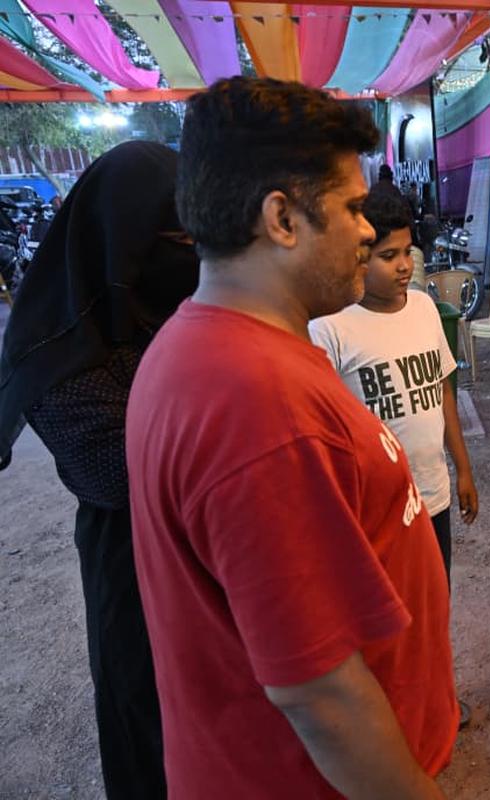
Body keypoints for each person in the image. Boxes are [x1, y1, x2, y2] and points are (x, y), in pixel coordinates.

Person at [125, 77, 455, 798]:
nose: (369, 232)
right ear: (281, 219)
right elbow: (321, 692)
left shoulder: (207, 346)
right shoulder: (255, 402)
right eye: (350, 207)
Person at [0, 141, 199, 799]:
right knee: (144, 714)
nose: (191, 255)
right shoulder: (58, 345)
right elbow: (117, 475)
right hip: (131, 563)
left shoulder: (173, 309)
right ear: (121, 239)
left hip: (203, 548)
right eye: (174, 238)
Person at [310, 182, 478, 580]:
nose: (404, 266)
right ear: (357, 256)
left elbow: (443, 392)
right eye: (388, 256)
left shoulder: (423, 308)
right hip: (374, 507)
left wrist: (464, 469)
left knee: (436, 602)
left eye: (407, 252)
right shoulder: (330, 328)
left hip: (432, 495)